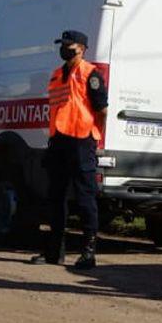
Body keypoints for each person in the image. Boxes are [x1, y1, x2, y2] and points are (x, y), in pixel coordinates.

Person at [29, 30, 108, 269]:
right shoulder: (56, 75)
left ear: (82, 48)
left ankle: (88, 252)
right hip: (59, 141)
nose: (64, 49)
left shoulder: (90, 74)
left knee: (85, 198)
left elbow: (102, 110)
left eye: (69, 46)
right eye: (62, 45)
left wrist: (95, 136)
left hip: (82, 142)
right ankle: (54, 251)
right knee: (55, 197)